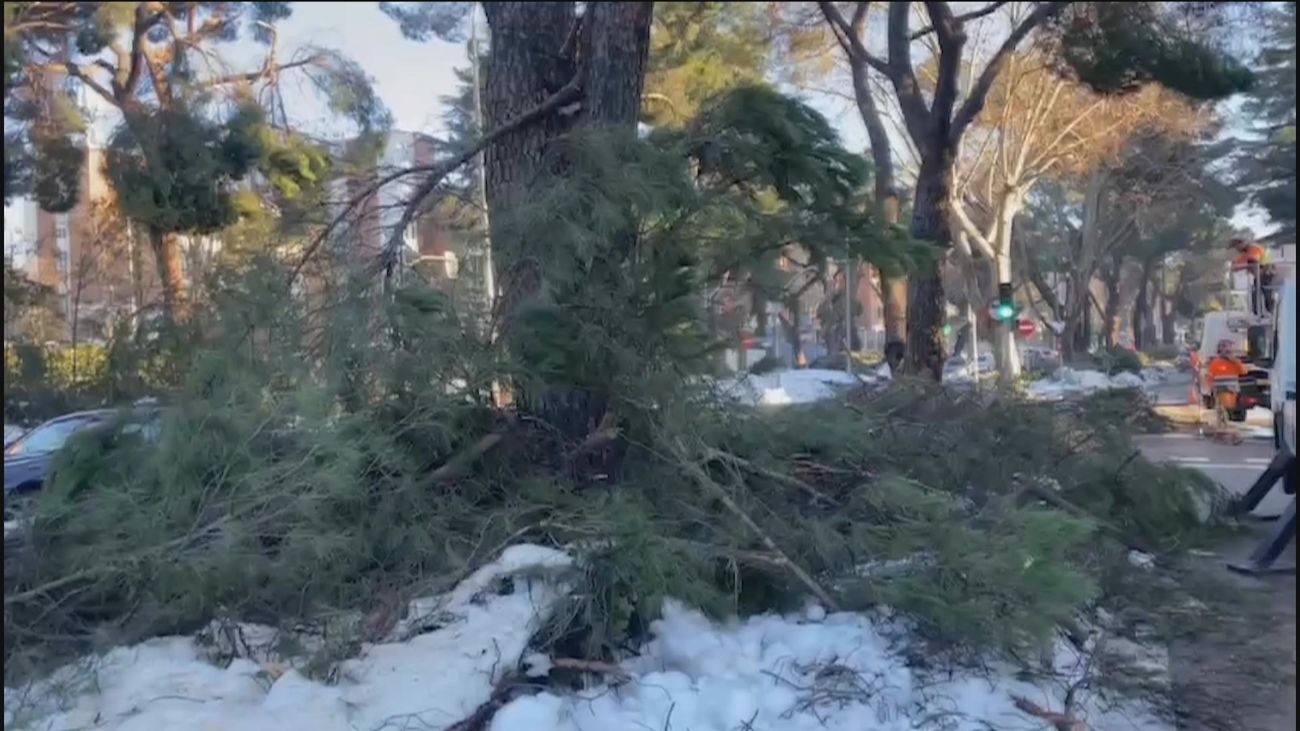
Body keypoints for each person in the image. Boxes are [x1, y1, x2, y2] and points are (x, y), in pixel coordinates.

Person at [1229, 237, 1276, 314]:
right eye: (1235, 247)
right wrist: (1235, 264)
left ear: (1242, 243)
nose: (1236, 249)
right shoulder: (1245, 253)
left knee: (1264, 292)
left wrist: (1243, 266)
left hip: (1267, 272)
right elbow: (1235, 267)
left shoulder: (1254, 249)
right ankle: (1259, 312)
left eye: (1237, 246)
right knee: (1255, 292)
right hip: (1259, 276)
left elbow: (1254, 263)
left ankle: (1270, 310)